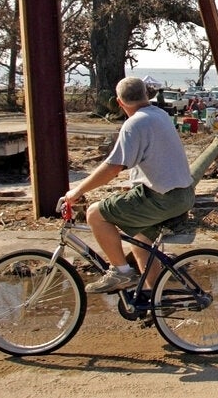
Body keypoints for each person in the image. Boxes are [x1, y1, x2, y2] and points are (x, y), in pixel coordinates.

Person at [61, 77, 195, 293]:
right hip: (184, 195)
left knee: (95, 214)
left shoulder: (134, 124)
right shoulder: (160, 115)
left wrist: (77, 191)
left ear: (119, 102)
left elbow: (112, 168)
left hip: (162, 198)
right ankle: (156, 297)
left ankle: (120, 272)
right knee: (140, 241)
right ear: (146, 95)